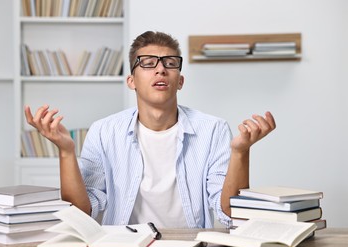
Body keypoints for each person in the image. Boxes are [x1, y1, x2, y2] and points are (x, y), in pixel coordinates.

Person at [24, 31, 276, 228]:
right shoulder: (104, 131)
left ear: (180, 81)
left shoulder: (213, 130)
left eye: (170, 63)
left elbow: (229, 213)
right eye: (147, 63)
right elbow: (82, 212)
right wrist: (66, 152)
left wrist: (241, 153)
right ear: (131, 81)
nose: (160, 68)